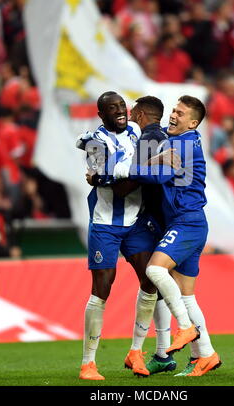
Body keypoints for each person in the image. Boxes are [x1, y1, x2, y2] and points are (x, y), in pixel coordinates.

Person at [126, 95, 222, 377]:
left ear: (193, 122)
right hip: (191, 222)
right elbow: (159, 165)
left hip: (186, 223)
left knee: (155, 270)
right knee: (187, 296)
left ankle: (186, 328)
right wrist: (156, 157)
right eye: (173, 111)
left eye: (180, 113)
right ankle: (206, 355)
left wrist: (126, 169)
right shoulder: (185, 141)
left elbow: (153, 177)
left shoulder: (181, 144)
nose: (173, 116)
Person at [76, 91, 158, 380]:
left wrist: (134, 172)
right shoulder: (96, 143)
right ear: (101, 114)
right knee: (103, 286)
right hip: (106, 223)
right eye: (112, 108)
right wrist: (148, 170)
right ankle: (88, 363)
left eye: (122, 105)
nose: (120, 111)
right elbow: (119, 189)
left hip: (135, 221)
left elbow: (125, 179)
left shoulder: (137, 130)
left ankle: (135, 352)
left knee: (151, 280)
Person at [112, 95, 177, 375]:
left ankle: (165, 351)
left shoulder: (148, 138)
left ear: (139, 114)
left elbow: (130, 183)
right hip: (174, 218)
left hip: (155, 221)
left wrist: (109, 177)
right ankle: (168, 353)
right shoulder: (168, 137)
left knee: (155, 282)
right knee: (167, 285)